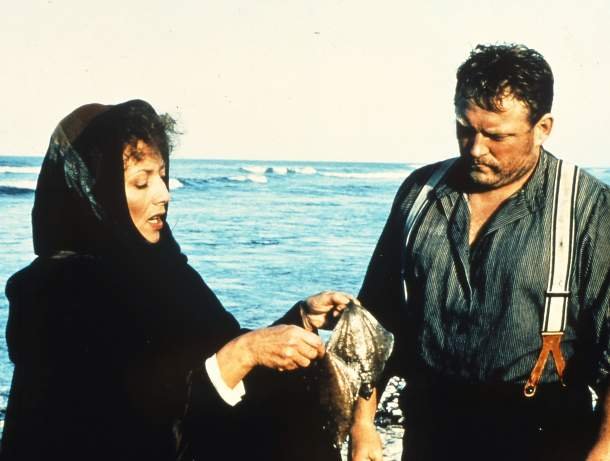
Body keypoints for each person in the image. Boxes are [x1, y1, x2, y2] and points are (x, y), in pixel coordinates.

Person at [0, 100, 348, 461]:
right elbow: (126, 428)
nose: (163, 194)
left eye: (162, 177)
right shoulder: (54, 293)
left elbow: (215, 352)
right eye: (141, 182)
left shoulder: (166, 270)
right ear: (95, 192)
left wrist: (298, 323)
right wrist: (243, 354)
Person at [348, 44, 610, 461]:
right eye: (464, 129)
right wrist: (362, 425)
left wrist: (604, 449)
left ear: (543, 127)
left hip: (545, 433)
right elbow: (374, 321)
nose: (474, 148)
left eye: (496, 136)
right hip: (431, 428)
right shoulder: (420, 194)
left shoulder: (589, 208)